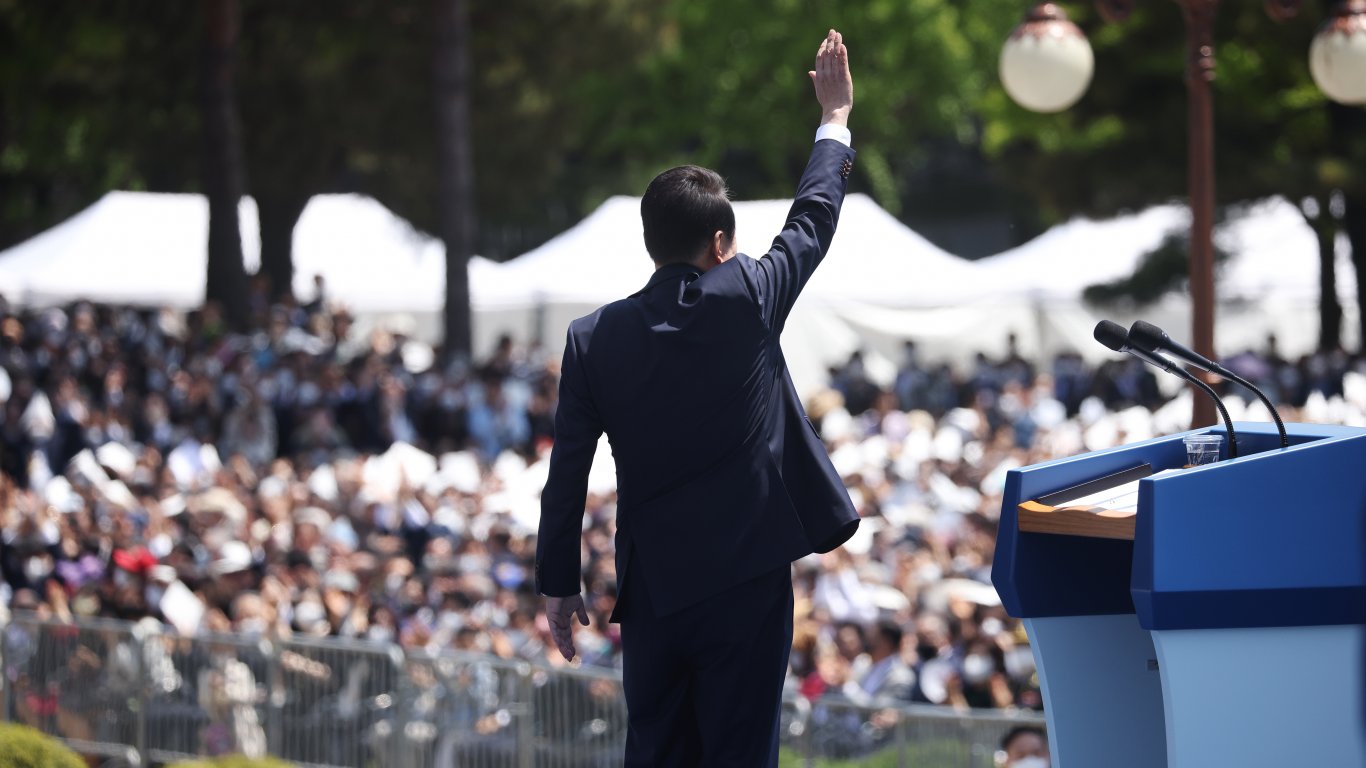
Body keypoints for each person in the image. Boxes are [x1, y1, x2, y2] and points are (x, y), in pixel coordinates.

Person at [535, 29, 859, 767]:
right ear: (721, 244)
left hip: (653, 589)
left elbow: (568, 473)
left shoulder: (592, 338)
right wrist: (833, 119)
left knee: (655, 754)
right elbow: (813, 220)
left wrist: (559, 582)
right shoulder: (744, 293)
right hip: (746, 579)